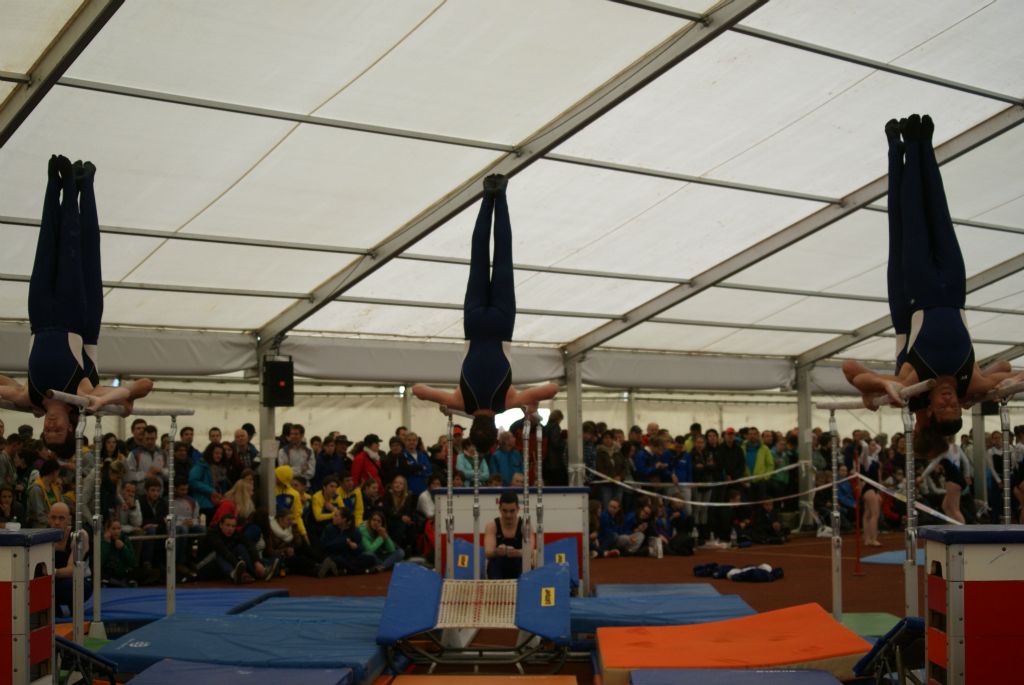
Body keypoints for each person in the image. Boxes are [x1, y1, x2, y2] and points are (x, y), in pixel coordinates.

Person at [843, 115, 1023, 436]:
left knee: (910, 218)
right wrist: (1007, 384)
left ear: (929, 408)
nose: (949, 401)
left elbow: (850, 369)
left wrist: (879, 386)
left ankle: (904, 147)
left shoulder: (914, 382)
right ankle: (924, 143)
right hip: (954, 291)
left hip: (920, 293)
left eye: (943, 408)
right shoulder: (971, 382)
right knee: (939, 214)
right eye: (954, 407)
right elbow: (1008, 368)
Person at [0, 159, 153, 460]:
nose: (51, 426)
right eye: (58, 431)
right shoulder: (83, 395)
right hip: (72, 317)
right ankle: (75, 183)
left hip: (39, 318)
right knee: (75, 248)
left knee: (46, 245)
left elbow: (4, 384)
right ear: (71, 427)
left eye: (47, 431)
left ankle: (54, 183)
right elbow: (144, 386)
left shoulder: (30, 397)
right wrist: (106, 401)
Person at [412, 175, 558, 459]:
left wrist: (523, 403)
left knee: (503, 256)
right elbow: (418, 389)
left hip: (502, 324)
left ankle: (499, 194)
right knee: (478, 257)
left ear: (494, 429)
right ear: (472, 427)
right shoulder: (460, 400)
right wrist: (449, 404)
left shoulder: (507, 401)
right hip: (474, 323)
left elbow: (552, 389)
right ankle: (486, 195)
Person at [485, 491, 535, 579]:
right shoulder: (492, 526)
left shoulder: (525, 526)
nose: (508, 515)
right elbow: (488, 552)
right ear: (499, 509)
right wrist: (497, 551)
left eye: (512, 511)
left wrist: (517, 552)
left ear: (518, 509)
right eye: (505, 511)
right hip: (498, 570)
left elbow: (530, 552)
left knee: (524, 561)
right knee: (495, 561)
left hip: (519, 568)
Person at [319, 508, 376, 576]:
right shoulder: (329, 529)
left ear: (344, 519)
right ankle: (358, 571)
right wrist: (343, 541)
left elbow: (361, 549)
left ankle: (343, 571)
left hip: (349, 558)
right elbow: (324, 546)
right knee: (335, 559)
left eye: (336, 516)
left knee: (370, 558)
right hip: (333, 556)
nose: (333, 517)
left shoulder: (354, 531)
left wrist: (355, 547)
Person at [101, 518, 139, 587]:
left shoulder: (125, 539)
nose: (116, 531)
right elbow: (100, 562)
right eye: (113, 529)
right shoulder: (103, 541)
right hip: (109, 576)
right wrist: (106, 544)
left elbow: (132, 562)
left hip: (124, 575)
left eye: (119, 528)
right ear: (107, 530)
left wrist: (123, 548)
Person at [26, 459, 62, 527]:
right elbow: (39, 514)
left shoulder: (55, 487)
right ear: (53, 472)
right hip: (41, 526)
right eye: (58, 473)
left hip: (55, 523)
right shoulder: (36, 489)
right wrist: (55, 523)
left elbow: (61, 506)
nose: (58, 476)